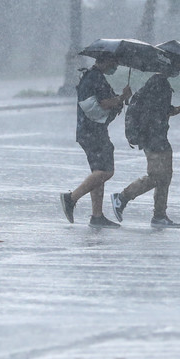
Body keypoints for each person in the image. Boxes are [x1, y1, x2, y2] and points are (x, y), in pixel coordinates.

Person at [110, 64, 180, 228]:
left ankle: (159, 215)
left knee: (165, 177)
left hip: (158, 137)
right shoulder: (159, 84)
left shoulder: (159, 83)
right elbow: (155, 113)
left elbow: (164, 111)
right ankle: (122, 197)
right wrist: (150, 135)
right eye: (176, 66)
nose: (178, 70)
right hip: (154, 138)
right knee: (157, 176)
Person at [60, 54, 132, 228]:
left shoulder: (91, 76)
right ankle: (71, 198)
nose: (116, 64)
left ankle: (97, 216)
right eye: (115, 61)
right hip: (93, 132)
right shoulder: (95, 78)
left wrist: (119, 99)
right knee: (106, 172)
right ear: (106, 60)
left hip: (90, 131)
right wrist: (122, 98)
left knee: (98, 172)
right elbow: (104, 103)